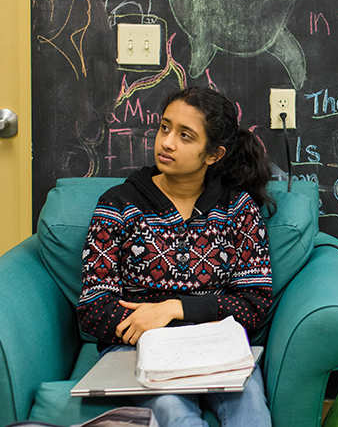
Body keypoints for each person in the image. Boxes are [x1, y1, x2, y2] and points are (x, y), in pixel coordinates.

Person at [77, 87, 274, 427]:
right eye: (165, 128)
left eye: (186, 136)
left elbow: (254, 304)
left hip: (217, 349)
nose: (167, 143)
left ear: (213, 154)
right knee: (173, 410)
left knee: (252, 406)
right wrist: (171, 327)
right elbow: (94, 308)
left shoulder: (238, 208)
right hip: (140, 349)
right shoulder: (118, 204)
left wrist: (170, 310)